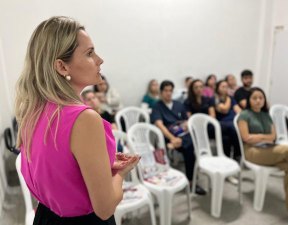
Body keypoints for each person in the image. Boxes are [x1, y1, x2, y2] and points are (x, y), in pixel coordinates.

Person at [15, 16, 140, 225]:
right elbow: (105, 207)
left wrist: (102, 167)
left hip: (46, 217)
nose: (100, 59)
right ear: (62, 67)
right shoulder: (84, 119)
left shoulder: (34, 111)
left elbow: (62, 174)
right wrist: (120, 174)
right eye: (89, 53)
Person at [238, 87, 288, 220]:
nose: (258, 101)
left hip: (268, 148)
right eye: (254, 98)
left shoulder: (267, 115)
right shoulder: (244, 115)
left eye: (261, 98)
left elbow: (273, 137)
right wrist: (264, 136)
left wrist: (260, 137)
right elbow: (246, 138)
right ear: (249, 100)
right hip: (252, 151)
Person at [151, 80, 206, 195]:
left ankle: (191, 178)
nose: (168, 93)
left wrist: (186, 125)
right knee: (190, 145)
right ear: (161, 92)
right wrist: (172, 139)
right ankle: (191, 182)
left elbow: (187, 120)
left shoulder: (178, 104)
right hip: (168, 136)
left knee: (191, 142)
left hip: (181, 134)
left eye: (170, 90)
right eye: (165, 91)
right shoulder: (157, 106)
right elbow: (160, 125)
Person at [208, 80, 242, 161]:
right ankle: (238, 153)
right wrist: (229, 99)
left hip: (231, 123)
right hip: (220, 124)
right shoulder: (214, 99)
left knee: (226, 138)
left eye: (226, 86)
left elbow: (239, 111)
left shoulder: (232, 98)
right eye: (222, 86)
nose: (225, 89)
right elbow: (224, 109)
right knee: (233, 127)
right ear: (217, 88)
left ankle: (227, 159)